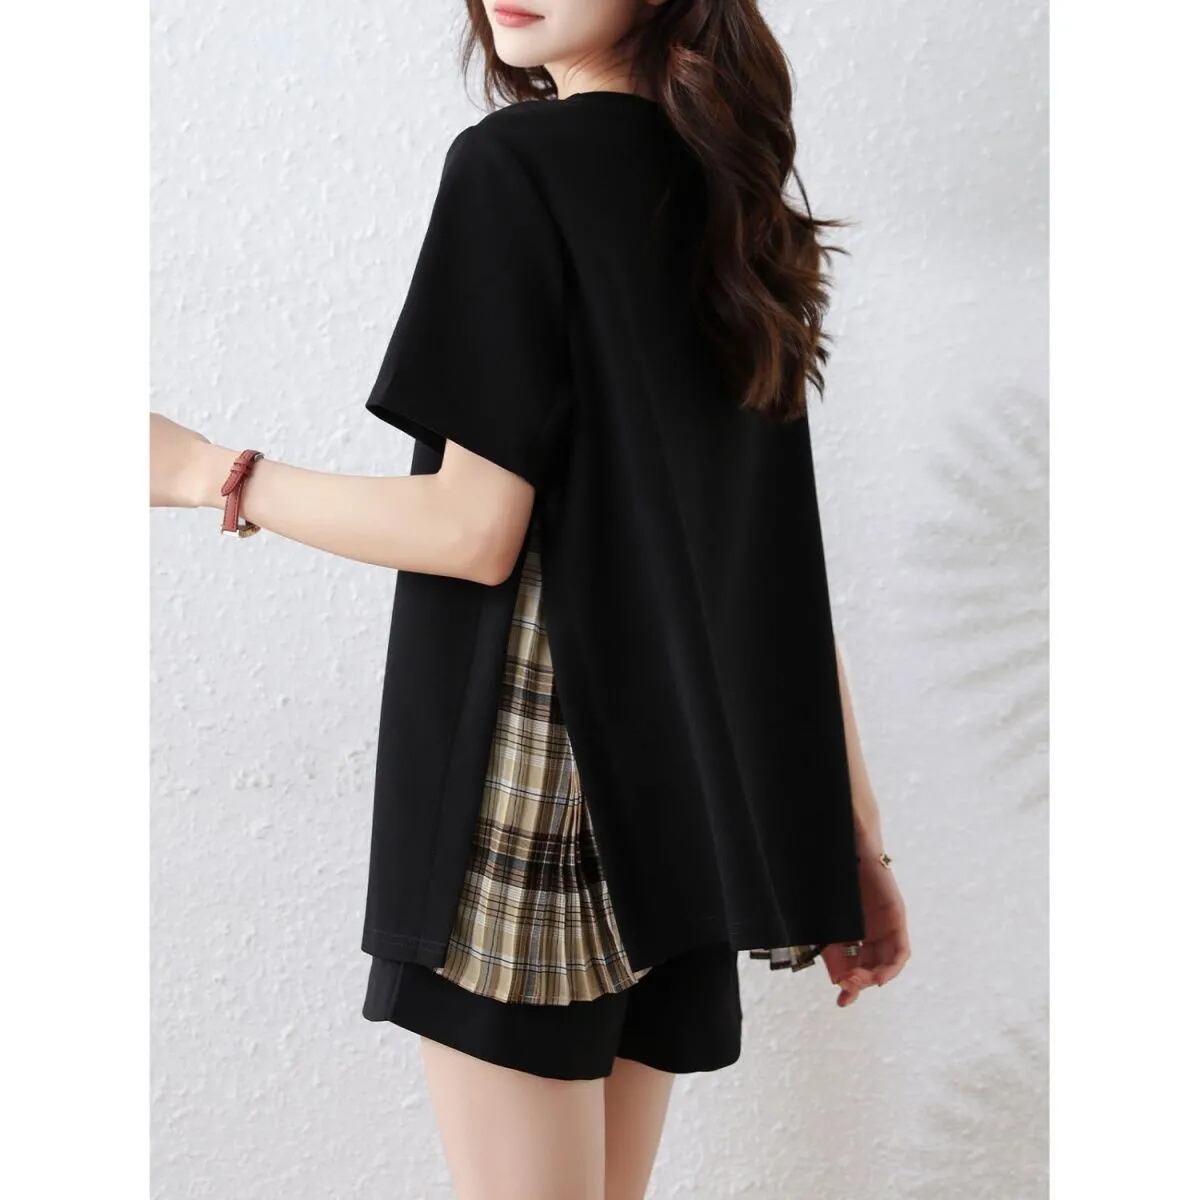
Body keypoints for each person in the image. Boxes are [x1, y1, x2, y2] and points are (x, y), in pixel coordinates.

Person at [150, 1, 912, 1196]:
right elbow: (766, 565)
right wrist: (851, 834)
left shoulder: (516, 165)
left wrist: (207, 473)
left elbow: (471, 532)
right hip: (686, 806)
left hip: (535, 785)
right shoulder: (732, 189)